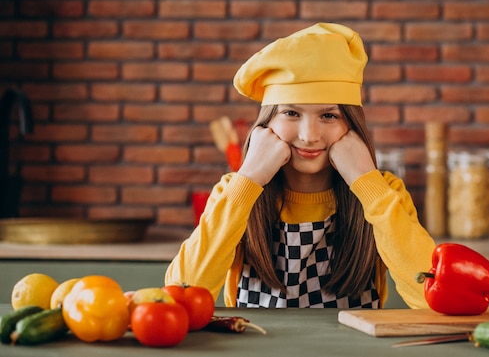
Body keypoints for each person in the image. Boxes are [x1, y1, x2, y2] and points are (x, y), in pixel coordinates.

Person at [165, 23, 436, 309]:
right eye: (291, 112)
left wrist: (366, 183)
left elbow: (430, 300)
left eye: (329, 115)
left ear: (352, 124)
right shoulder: (234, 192)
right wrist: (249, 179)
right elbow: (178, 296)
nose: (309, 135)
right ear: (268, 124)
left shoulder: (384, 191)